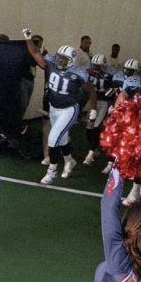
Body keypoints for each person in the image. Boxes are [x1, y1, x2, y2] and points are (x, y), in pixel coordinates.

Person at [25, 33, 88, 185]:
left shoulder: (78, 74)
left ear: (71, 61)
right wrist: (28, 38)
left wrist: (87, 108)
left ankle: (52, 172)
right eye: (59, 56)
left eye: (64, 58)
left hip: (68, 110)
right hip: (54, 108)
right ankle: (70, 161)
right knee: (62, 140)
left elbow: (90, 90)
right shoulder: (51, 63)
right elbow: (34, 53)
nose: (59, 59)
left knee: (53, 139)